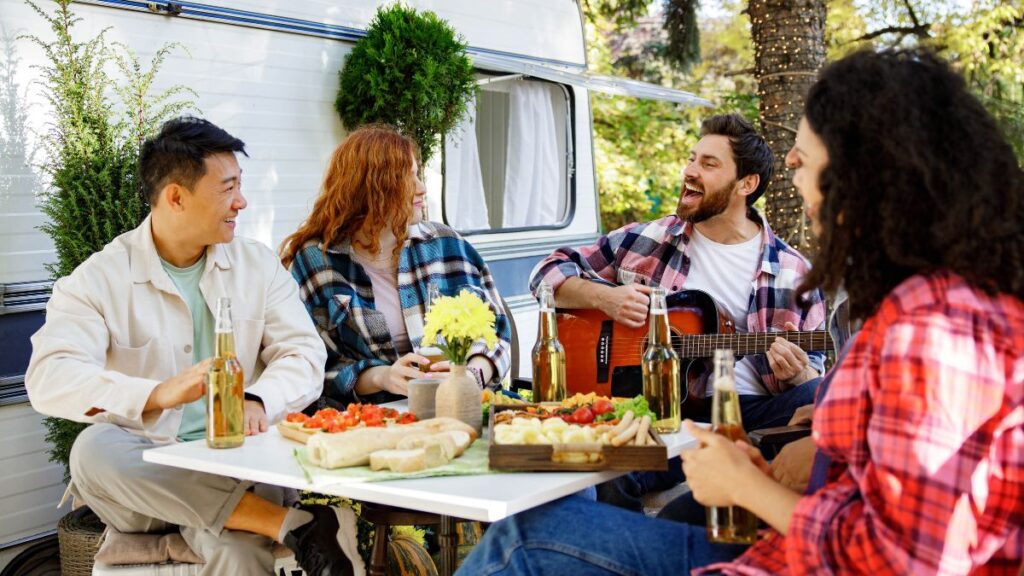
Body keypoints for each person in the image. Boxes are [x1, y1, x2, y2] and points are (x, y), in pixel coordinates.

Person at [455, 48, 1024, 575]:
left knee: (524, 540)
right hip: (687, 441)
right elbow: (547, 273)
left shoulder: (934, 332)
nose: (796, 173)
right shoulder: (945, 301)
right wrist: (824, 442)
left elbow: (905, 559)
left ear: (872, 177)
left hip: (783, 532)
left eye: (806, 158)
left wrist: (754, 483)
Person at [26, 117, 363, 576]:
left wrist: (257, 397)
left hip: (235, 465)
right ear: (176, 197)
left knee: (239, 551)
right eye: (227, 189)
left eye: (240, 186)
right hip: (142, 485)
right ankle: (292, 523)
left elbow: (304, 352)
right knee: (92, 450)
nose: (241, 202)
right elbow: (49, 377)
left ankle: (280, 524)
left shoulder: (256, 265)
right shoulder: (98, 278)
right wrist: (157, 394)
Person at [530, 113, 827, 433]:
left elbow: (814, 371)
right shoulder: (646, 240)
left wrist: (798, 375)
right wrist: (606, 298)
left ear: (747, 183)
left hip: (749, 413)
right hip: (652, 410)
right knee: (613, 462)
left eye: (709, 164)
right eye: (691, 160)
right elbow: (544, 274)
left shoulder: (794, 272)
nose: (689, 171)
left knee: (817, 394)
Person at [281, 124, 512, 407]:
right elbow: (311, 368)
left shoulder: (445, 244)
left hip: (462, 405)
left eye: (418, 175)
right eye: (408, 178)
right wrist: (383, 377)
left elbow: (498, 333)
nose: (421, 188)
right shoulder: (316, 260)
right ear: (373, 188)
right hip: (374, 417)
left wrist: (472, 376)